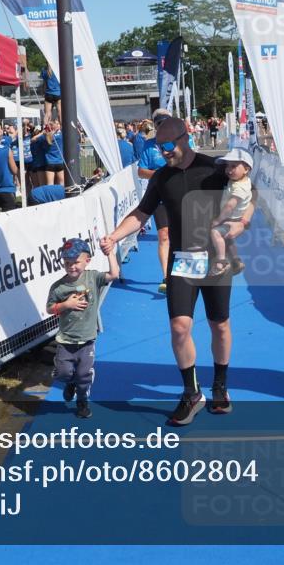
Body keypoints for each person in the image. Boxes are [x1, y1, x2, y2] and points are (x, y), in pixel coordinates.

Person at [100, 117, 254, 426]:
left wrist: (242, 223)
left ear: (185, 139)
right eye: (159, 147)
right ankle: (191, 392)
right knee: (180, 327)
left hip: (214, 259)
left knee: (219, 324)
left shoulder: (215, 168)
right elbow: (142, 212)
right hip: (182, 260)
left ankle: (220, 384)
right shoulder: (161, 177)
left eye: (168, 146)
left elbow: (249, 194)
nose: (164, 152)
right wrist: (115, 236)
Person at [46, 238, 119, 419]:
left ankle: (82, 401)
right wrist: (65, 305)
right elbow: (49, 308)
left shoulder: (93, 277)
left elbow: (114, 274)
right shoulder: (58, 287)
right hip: (65, 340)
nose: (71, 266)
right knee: (63, 373)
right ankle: (70, 382)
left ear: (87, 260)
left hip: (87, 339)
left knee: (83, 374)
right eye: (67, 263)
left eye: (76, 262)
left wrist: (110, 253)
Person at [137, 114, 170, 292]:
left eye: (165, 124)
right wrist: (160, 175)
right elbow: (141, 171)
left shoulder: (182, 142)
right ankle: (166, 277)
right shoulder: (149, 146)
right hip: (159, 195)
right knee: (164, 235)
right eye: (159, 124)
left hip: (180, 194)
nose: (162, 127)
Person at [208, 148, 254, 276]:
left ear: (246, 169)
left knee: (216, 233)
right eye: (227, 166)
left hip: (231, 219)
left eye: (233, 166)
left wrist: (218, 220)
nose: (228, 170)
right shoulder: (241, 181)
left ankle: (221, 261)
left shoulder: (240, 188)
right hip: (235, 218)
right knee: (229, 240)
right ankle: (236, 261)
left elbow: (229, 206)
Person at [42, 120, 65, 186]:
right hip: (59, 162)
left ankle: (50, 196)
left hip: (49, 163)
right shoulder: (60, 136)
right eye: (57, 124)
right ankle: (61, 196)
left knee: (50, 184)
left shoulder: (45, 136)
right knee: (61, 184)